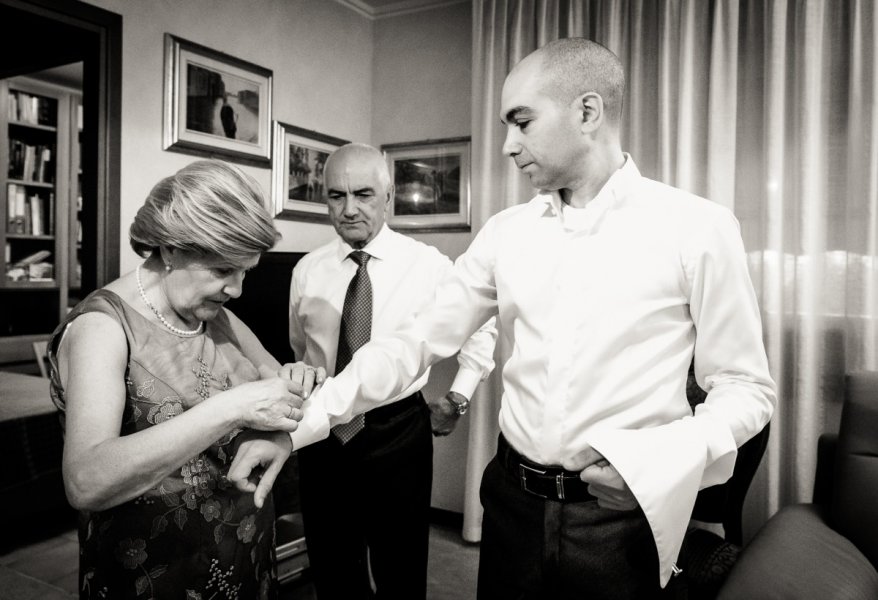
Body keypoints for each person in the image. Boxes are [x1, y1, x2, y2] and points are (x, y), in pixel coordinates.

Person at [230, 38, 776, 599]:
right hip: (511, 505)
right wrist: (302, 424)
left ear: (587, 112)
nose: (508, 145)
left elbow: (745, 389)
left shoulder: (696, 228)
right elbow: (415, 341)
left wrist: (656, 466)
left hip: (619, 517)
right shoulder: (506, 233)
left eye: (522, 122)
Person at [47, 159, 320, 599]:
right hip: (155, 575)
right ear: (170, 250)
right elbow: (85, 480)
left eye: (245, 271)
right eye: (221, 270)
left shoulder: (218, 317)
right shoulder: (103, 328)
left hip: (247, 558)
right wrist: (232, 407)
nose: (237, 290)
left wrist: (294, 389)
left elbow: (284, 393)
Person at [288, 143, 497, 600]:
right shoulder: (306, 271)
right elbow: (301, 349)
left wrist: (459, 397)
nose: (349, 209)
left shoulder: (429, 266)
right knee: (332, 562)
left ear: (389, 196)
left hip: (398, 431)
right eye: (336, 196)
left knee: (400, 566)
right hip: (323, 434)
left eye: (363, 194)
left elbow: (481, 330)